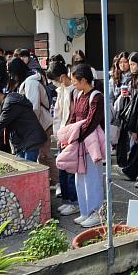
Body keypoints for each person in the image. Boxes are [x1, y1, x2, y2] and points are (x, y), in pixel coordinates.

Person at [65, 64, 106, 228]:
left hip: (90, 144)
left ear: (83, 80)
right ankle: (85, 211)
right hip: (79, 142)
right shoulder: (77, 94)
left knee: (93, 179)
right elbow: (72, 116)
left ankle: (97, 213)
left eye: (74, 80)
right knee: (80, 179)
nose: (73, 83)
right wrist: (68, 135)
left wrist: (74, 136)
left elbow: (91, 122)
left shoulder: (97, 96)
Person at [0, 82, 46, 161]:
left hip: (30, 139)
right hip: (24, 139)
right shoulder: (8, 100)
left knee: (29, 168)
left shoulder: (10, 103)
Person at [17, 59, 57, 186]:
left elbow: (34, 107)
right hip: (38, 123)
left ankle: (58, 181)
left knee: (45, 155)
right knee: (42, 155)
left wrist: (30, 127)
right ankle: (51, 180)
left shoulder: (31, 83)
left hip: (41, 124)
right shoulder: (30, 81)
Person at [49, 60, 79, 217]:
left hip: (70, 136)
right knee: (62, 170)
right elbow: (58, 115)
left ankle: (74, 202)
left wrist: (67, 136)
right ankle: (67, 200)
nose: (53, 83)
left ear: (61, 77)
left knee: (70, 171)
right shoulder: (60, 91)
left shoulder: (73, 91)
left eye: (54, 79)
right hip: (61, 135)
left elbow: (71, 117)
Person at [120, 51, 138, 185]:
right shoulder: (133, 79)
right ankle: (131, 170)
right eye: (130, 64)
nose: (131, 67)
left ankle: (137, 172)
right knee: (136, 146)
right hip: (135, 117)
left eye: (133, 64)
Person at [111, 52, 132, 167]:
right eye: (121, 62)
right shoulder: (114, 77)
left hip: (131, 109)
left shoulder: (134, 76)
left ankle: (131, 163)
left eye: (125, 62)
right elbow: (110, 96)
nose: (123, 65)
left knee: (131, 137)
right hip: (118, 110)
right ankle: (122, 163)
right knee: (120, 136)